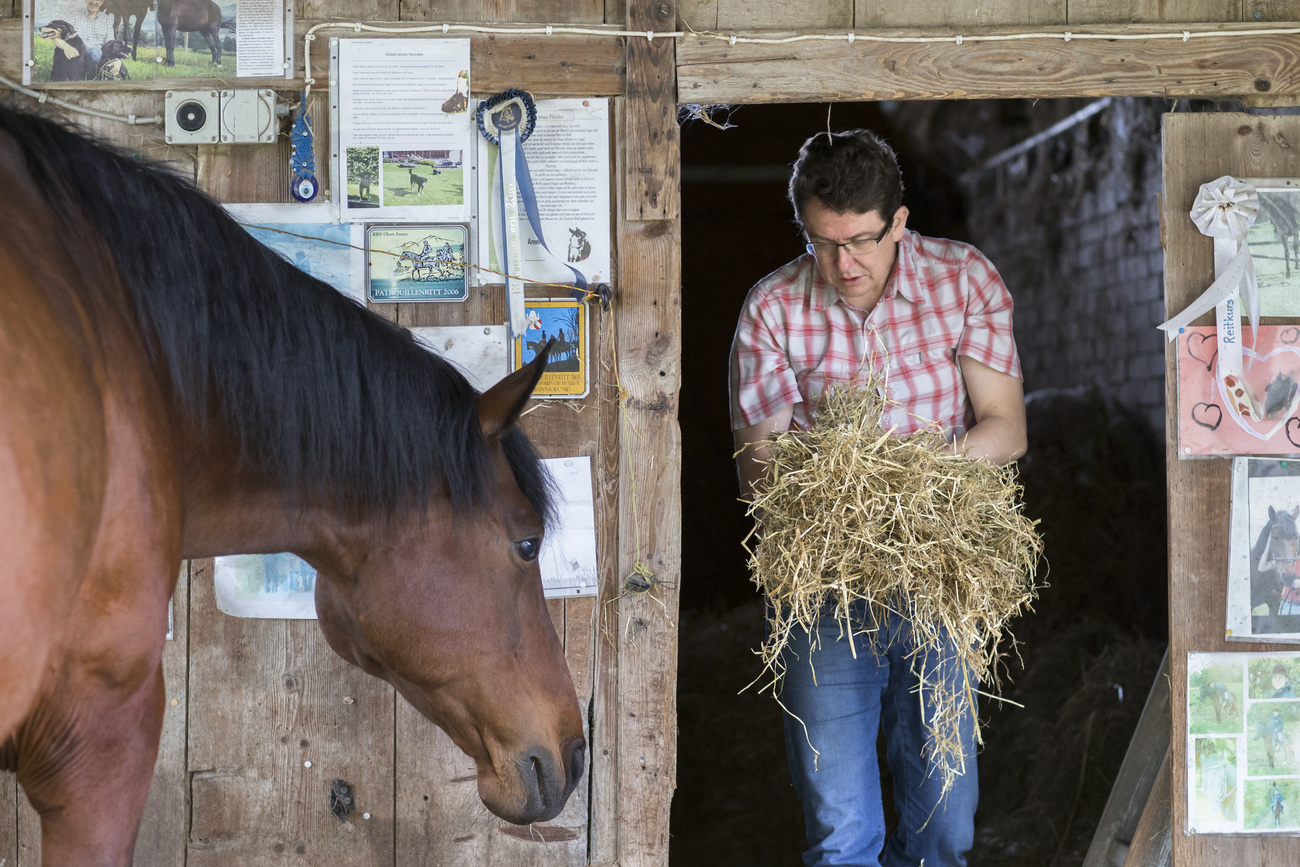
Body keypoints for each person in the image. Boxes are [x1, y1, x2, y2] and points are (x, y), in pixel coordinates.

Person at [729, 129, 1026, 867]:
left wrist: (902, 487)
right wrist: (837, 500)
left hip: (939, 575)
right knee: (840, 830)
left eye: (862, 240)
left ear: (899, 221)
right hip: (824, 585)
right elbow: (759, 469)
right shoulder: (772, 308)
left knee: (946, 824)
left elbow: (1006, 429)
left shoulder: (964, 281)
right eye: (824, 242)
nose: (844, 263)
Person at [51, 0, 116, 70]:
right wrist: (66, 47)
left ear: (102, 2)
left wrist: (116, 60)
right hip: (75, 58)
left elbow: (111, 44)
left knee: (95, 52)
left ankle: (90, 76)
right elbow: (54, 34)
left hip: (96, 61)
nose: (93, 2)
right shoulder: (74, 16)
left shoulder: (106, 20)